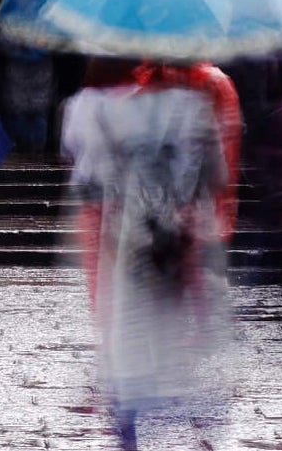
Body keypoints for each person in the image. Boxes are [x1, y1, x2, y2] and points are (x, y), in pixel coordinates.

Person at [63, 58, 235, 449]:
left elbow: (91, 180)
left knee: (130, 322)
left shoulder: (120, 109)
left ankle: (128, 422)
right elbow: (217, 176)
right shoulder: (196, 110)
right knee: (170, 327)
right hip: (179, 235)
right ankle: (184, 418)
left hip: (131, 231)